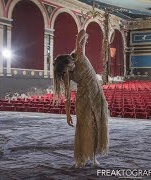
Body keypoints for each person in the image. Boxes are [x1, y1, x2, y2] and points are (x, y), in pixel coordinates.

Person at [53, 29, 109, 168]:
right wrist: (67, 115)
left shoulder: (78, 54)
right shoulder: (66, 74)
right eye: (66, 71)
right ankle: (81, 158)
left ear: (68, 60)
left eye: (68, 67)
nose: (70, 70)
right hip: (83, 97)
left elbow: (83, 31)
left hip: (97, 94)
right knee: (84, 127)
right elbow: (66, 95)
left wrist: (80, 40)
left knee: (97, 125)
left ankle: (94, 157)